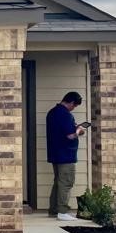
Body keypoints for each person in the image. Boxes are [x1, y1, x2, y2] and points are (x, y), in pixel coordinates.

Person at [46, 91, 86, 221]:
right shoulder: (65, 115)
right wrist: (79, 131)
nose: (73, 108)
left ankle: (53, 210)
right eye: (74, 106)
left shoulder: (52, 112)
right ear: (71, 102)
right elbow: (70, 135)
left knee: (58, 182)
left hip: (55, 153)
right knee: (66, 182)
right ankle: (62, 211)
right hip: (66, 154)